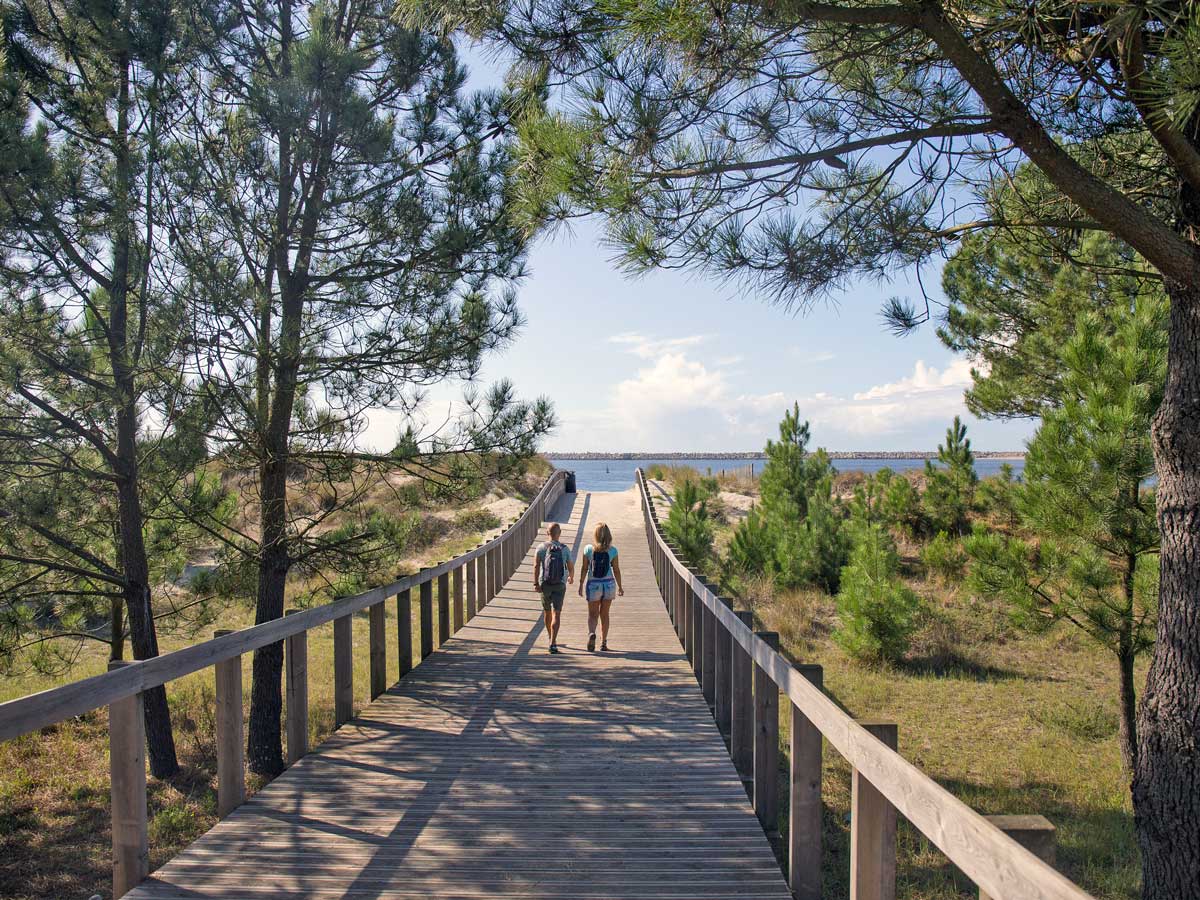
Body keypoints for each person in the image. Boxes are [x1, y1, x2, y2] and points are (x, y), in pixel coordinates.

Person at [578, 521, 623, 651]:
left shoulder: (588, 549)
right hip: (609, 584)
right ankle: (603, 643)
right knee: (605, 614)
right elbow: (616, 570)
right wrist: (620, 586)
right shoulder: (613, 550)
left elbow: (584, 568)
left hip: (594, 584)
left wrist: (581, 583)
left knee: (593, 614)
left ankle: (592, 633)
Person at [533, 523, 574, 653]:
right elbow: (570, 567)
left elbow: (536, 566)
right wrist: (571, 577)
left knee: (547, 612)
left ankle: (550, 637)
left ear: (547, 533)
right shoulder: (565, 549)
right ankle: (553, 642)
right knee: (557, 613)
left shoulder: (540, 548)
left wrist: (536, 583)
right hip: (560, 584)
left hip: (545, 584)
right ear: (559, 533)